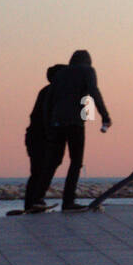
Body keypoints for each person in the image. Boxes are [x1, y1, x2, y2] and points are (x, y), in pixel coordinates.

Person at [29, 49, 111, 211]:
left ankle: (37, 199)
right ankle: (68, 201)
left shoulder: (60, 74)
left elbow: (49, 102)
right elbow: (94, 91)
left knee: (53, 162)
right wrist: (105, 116)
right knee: (76, 162)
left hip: (56, 123)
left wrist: (49, 125)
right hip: (75, 123)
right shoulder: (87, 71)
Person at [21, 64, 65, 213]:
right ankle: (35, 201)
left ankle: (32, 202)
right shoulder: (52, 92)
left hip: (38, 137)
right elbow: (47, 116)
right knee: (42, 169)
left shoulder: (47, 91)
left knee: (40, 170)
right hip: (42, 138)